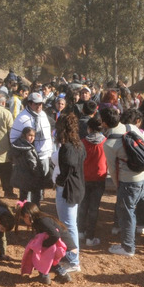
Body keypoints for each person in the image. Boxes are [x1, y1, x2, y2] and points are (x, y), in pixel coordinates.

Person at [102, 106, 144, 257]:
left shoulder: (109, 144)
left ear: (104, 123)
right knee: (132, 211)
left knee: (126, 213)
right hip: (142, 176)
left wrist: (118, 186)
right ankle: (129, 241)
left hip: (127, 181)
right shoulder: (131, 127)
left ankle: (128, 247)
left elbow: (112, 169)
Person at [53, 113, 85, 274]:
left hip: (67, 188)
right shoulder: (79, 144)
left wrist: (60, 179)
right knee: (71, 223)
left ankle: (73, 261)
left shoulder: (66, 147)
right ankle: (71, 256)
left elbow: (68, 166)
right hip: (78, 186)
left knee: (68, 225)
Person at [18, 202, 69, 284]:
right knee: (50, 258)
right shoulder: (41, 218)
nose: (24, 221)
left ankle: (44, 276)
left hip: (62, 245)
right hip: (63, 244)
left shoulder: (42, 221)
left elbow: (55, 235)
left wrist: (42, 246)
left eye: (24, 218)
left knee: (41, 256)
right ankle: (63, 274)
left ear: (27, 215)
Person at [78, 115, 108, 247]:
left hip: (84, 178)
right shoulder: (105, 142)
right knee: (94, 208)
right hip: (99, 178)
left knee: (83, 205)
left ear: (89, 128)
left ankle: (80, 231)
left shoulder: (82, 142)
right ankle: (90, 237)